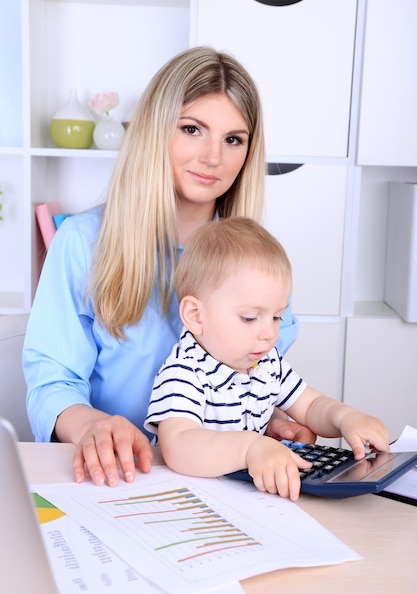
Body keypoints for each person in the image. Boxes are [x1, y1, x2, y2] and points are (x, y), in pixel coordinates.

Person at [23, 46, 314, 487]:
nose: (213, 156)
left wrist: (269, 417)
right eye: (193, 129)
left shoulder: (255, 265)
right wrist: (89, 427)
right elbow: (52, 380)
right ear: (155, 131)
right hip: (117, 479)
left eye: (233, 139)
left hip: (222, 482)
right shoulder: (81, 243)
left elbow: (250, 377)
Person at [145, 217, 390, 501]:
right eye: (250, 318)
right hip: (185, 497)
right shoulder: (185, 370)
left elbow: (309, 404)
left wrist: (346, 417)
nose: (268, 333)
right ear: (195, 316)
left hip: (246, 498)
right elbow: (178, 446)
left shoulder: (265, 363)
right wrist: (250, 448)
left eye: (276, 317)